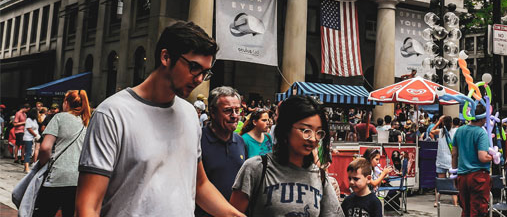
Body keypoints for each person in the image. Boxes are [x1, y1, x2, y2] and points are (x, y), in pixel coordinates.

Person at [76, 21, 243, 217]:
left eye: (205, 72)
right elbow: (88, 206)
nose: (199, 79)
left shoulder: (189, 114)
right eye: (194, 67)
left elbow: (200, 185)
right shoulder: (112, 113)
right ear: (166, 57)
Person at [230, 95, 344, 216]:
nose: (313, 138)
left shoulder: (320, 177)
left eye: (319, 132)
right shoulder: (256, 168)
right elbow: (232, 213)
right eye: (306, 130)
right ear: (286, 128)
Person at [33, 90, 91, 217]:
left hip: (58, 175)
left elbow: (45, 148)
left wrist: (43, 164)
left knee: (44, 212)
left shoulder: (60, 117)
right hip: (79, 179)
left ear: (66, 103)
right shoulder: (87, 122)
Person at [196, 86, 247, 217]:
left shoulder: (240, 141)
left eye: (237, 110)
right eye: (228, 111)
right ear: (212, 112)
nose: (235, 116)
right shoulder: (197, 141)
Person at [452, 103, 493, 217]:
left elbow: (454, 154)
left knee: (466, 210)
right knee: (478, 211)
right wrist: (493, 157)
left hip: (462, 176)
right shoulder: (481, 132)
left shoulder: (459, 131)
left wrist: (455, 173)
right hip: (478, 177)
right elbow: (482, 157)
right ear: (484, 118)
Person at [432, 115, 458, 207]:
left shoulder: (440, 131)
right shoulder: (455, 131)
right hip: (452, 161)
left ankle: (436, 201)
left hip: (441, 160)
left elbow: (431, 131)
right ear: (451, 123)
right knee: (453, 183)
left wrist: (438, 122)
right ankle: (455, 203)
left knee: (440, 181)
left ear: (443, 123)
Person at [23, 108, 40, 173]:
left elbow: (36, 128)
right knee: (28, 152)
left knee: (32, 152)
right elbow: (29, 129)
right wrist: (36, 135)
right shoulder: (28, 120)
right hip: (28, 138)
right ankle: (27, 168)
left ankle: (26, 166)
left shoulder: (35, 120)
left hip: (34, 137)